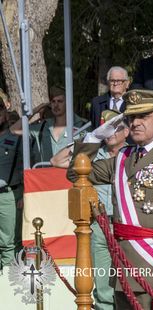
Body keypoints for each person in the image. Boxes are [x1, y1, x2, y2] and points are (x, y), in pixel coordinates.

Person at [67, 89, 153, 309]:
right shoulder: (124, 157)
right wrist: (93, 139)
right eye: (131, 117)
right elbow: (76, 173)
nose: (136, 123)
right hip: (123, 269)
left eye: (144, 116)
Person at [51, 110, 129, 309]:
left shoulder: (133, 153)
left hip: (126, 226)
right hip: (100, 225)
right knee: (102, 288)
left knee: (129, 287)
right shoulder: (91, 154)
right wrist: (91, 139)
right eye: (106, 128)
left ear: (127, 131)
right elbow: (57, 161)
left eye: (115, 128)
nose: (111, 133)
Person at [10, 86, 88, 165]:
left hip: (70, 176)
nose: (56, 105)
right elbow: (13, 130)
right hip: (45, 176)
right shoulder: (42, 126)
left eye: (60, 101)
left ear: (68, 103)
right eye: (53, 101)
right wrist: (34, 111)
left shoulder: (82, 126)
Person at [0, 98, 22, 274]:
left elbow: (26, 168)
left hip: (9, 195)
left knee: (8, 243)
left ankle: (6, 286)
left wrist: (24, 194)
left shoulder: (16, 139)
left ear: (5, 113)